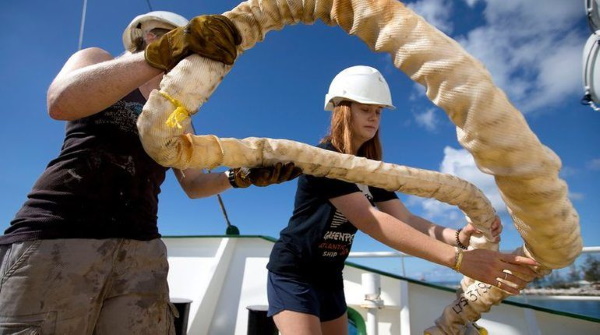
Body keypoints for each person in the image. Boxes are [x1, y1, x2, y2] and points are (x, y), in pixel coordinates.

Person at [0, 11, 300, 335]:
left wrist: (240, 177)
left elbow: (194, 184)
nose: (175, 46)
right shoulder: (97, 58)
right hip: (61, 234)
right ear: (144, 36)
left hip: (142, 251)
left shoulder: (176, 116)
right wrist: (155, 58)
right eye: (164, 35)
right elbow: (60, 101)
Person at [265, 65, 539, 335]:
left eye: (378, 112)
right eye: (365, 109)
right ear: (342, 110)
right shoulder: (324, 158)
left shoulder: (369, 169)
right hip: (294, 270)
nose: (373, 117)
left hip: (330, 275)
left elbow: (405, 218)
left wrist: (458, 237)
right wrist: (458, 260)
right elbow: (369, 219)